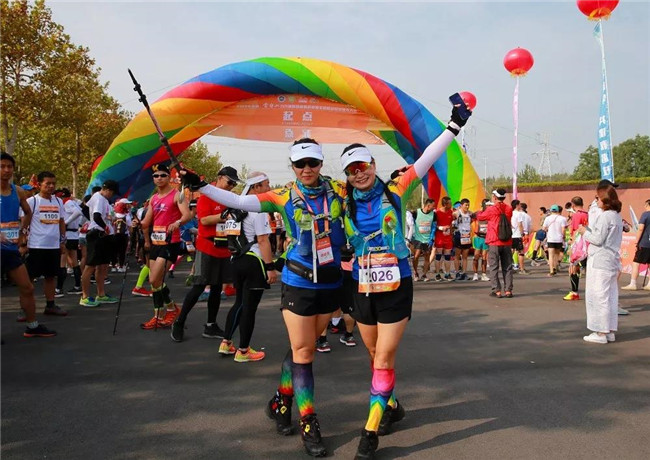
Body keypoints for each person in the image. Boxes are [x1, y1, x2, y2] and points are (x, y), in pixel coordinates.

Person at [181, 101, 470, 459]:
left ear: (322, 164)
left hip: (337, 282)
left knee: (323, 351)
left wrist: (453, 127)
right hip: (300, 280)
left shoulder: (343, 191)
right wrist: (203, 187)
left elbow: (423, 160)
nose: (306, 168)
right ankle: (307, 421)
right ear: (292, 166)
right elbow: (239, 202)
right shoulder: (283, 196)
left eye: (312, 162)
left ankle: (289, 400)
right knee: (303, 352)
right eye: (300, 163)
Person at [171, 166, 238, 339]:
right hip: (207, 247)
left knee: (217, 288)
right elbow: (204, 220)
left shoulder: (230, 198)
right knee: (199, 286)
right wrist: (224, 215)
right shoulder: (207, 196)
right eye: (230, 182)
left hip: (224, 247)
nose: (232, 186)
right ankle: (179, 321)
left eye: (234, 184)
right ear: (220, 177)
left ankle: (211, 325)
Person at [218, 172, 279, 362]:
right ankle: (243, 351)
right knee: (249, 308)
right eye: (266, 184)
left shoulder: (234, 207)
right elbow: (263, 240)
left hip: (236, 259)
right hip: (254, 261)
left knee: (239, 303)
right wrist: (270, 267)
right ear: (256, 187)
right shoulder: (257, 209)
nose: (269, 188)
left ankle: (226, 342)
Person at [1, 152, 56, 337]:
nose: (6, 170)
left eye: (9, 166)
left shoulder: (17, 191)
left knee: (27, 287)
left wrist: (22, 232)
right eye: (2, 166)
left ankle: (32, 326)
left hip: (11, 249)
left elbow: (27, 212)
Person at [139, 163, 191, 329]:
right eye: (156, 176)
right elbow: (146, 221)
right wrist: (137, 223)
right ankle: (160, 315)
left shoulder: (177, 195)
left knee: (155, 279)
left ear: (169, 177)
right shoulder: (154, 198)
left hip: (170, 242)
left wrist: (177, 222)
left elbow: (187, 215)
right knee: (154, 283)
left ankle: (170, 308)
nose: (159, 178)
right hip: (156, 241)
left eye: (163, 175)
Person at [576, 183, 623, 344]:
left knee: (598, 296)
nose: (596, 201)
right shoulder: (616, 216)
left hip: (600, 260)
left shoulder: (605, 216)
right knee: (610, 296)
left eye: (597, 198)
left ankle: (601, 332)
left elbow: (598, 239)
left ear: (605, 199)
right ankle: (609, 331)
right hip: (611, 259)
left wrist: (584, 232)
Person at [25, 171, 68, 316]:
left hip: (53, 246)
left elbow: (61, 222)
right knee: (29, 278)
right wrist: (23, 242)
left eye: (53, 184)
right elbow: (25, 222)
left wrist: (62, 241)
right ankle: (25, 308)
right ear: (39, 184)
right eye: (47, 183)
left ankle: (50, 305)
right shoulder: (32, 201)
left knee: (51, 277)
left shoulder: (58, 201)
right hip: (36, 246)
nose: (51, 186)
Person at [80, 180, 120, 307]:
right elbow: (96, 216)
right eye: (112, 193)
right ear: (107, 190)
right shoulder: (98, 198)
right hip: (97, 234)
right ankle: (84, 296)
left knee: (102, 266)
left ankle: (101, 294)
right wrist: (103, 226)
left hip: (103, 235)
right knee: (90, 265)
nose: (112, 196)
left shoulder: (103, 199)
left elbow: (85, 209)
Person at [477, 189, 513, 298]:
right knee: (507, 267)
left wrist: (482, 209)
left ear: (495, 197)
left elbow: (480, 217)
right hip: (507, 241)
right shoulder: (509, 209)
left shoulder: (491, 209)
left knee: (493, 267)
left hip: (494, 241)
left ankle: (497, 290)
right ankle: (508, 290)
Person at [621, 199, 650, 290]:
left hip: (644, 243)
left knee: (636, 263)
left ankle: (633, 283)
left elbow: (640, 228)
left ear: (647, 205)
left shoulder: (645, 215)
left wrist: (637, 241)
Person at [564, 196, 589, 300]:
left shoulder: (577, 215)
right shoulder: (588, 214)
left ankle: (574, 292)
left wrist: (571, 246)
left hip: (579, 245)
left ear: (573, 205)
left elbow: (575, 231)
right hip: (588, 244)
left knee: (573, 267)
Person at [410, 199, 436, 281]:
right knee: (416, 256)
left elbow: (434, 227)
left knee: (427, 256)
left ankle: (424, 274)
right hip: (417, 239)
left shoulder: (434, 214)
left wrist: (432, 238)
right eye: (433, 206)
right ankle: (415, 273)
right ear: (428, 205)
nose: (434, 207)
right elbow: (410, 224)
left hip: (427, 239)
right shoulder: (416, 212)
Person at [542, 205, 568, 277]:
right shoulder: (562, 218)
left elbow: (543, 228)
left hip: (551, 238)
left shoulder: (547, 218)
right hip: (559, 239)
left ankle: (551, 271)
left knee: (551, 255)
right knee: (557, 254)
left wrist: (548, 230)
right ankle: (555, 267)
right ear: (558, 210)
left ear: (551, 210)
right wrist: (564, 237)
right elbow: (563, 229)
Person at [434, 196, 454, 281]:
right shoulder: (437, 212)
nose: (451, 205)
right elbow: (434, 225)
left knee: (447, 256)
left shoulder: (451, 212)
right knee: (438, 255)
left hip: (448, 237)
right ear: (445, 204)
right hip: (439, 237)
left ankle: (447, 274)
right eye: (450, 203)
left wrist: (451, 233)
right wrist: (441, 228)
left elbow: (451, 224)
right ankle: (437, 274)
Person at [453, 198, 473, 280]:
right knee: (457, 255)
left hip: (467, 235)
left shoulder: (470, 213)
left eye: (468, 205)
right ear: (461, 205)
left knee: (465, 256)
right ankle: (457, 273)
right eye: (466, 205)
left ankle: (464, 273)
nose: (467, 207)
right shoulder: (457, 213)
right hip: (459, 235)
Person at [472, 199, 490, 281]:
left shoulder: (490, 213)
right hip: (478, 237)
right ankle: (475, 274)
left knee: (484, 256)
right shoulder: (477, 213)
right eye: (487, 204)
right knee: (476, 255)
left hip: (486, 237)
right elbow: (470, 218)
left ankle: (484, 274)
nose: (488, 206)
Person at [510, 200, 526, 273]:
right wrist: (522, 233)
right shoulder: (519, 214)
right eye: (519, 204)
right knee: (521, 252)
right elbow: (520, 225)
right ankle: (522, 269)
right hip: (517, 235)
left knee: (511, 251)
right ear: (516, 205)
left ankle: (509, 268)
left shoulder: (510, 213)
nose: (520, 206)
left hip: (511, 235)